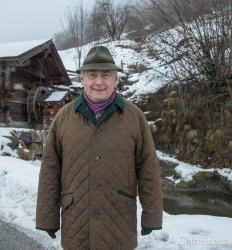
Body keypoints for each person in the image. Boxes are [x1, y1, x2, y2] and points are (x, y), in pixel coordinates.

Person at [36, 45, 163, 250]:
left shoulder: (135, 117)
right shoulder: (64, 118)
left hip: (118, 225)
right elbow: (50, 169)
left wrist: (152, 215)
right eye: (92, 74)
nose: (98, 81)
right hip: (77, 225)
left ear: (115, 79)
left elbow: (148, 168)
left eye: (106, 74)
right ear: (82, 79)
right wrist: (47, 217)